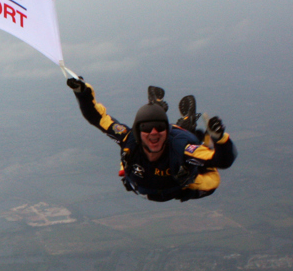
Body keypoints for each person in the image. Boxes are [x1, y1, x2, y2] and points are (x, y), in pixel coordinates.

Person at [66, 78, 237, 202]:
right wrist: (83, 92)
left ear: (166, 129)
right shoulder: (129, 138)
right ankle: (174, 119)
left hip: (175, 184)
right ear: (139, 130)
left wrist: (220, 139)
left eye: (159, 127)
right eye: (147, 128)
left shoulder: (182, 149)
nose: (154, 133)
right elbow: (97, 118)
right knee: (133, 155)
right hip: (146, 185)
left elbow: (222, 160)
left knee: (212, 181)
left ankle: (196, 133)